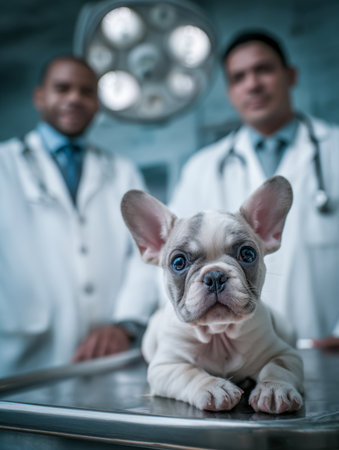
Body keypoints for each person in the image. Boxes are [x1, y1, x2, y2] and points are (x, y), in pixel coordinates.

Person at [115, 30, 339, 351]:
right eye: (239, 77)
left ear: (290, 76)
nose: (253, 83)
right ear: (230, 91)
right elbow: (165, 249)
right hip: (226, 353)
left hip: (325, 345)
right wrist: (128, 322)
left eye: (263, 69)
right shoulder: (203, 167)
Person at [0, 55, 148, 377]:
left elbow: (145, 254)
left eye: (86, 91)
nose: (74, 98)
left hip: (109, 362)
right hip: (20, 361)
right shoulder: (4, 165)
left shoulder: (122, 172)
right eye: (62, 88)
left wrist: (124, 324)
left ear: (97, 103)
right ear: (39, 96)